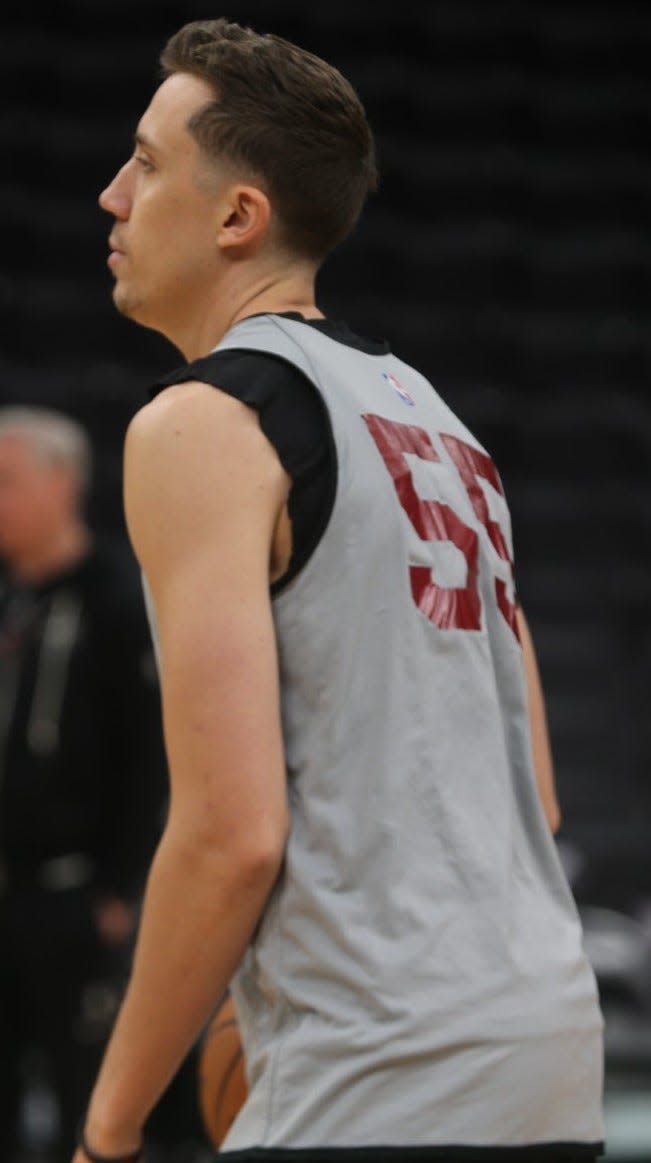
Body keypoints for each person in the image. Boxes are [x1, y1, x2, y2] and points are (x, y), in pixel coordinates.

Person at [77, 17, 604, 1163]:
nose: (113, 195)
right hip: (547, 1056)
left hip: (382, 1068)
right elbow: (539, 797)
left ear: (237, 217)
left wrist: (108, 1127)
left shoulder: (202, 422)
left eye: (148, 161)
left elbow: (232, 833)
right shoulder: (438, 419)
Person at [0, 406, 169, 1163]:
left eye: (6, 480)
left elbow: (154, 757)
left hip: (75, 897)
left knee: (86, 1103)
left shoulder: (117, 599)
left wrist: (121, 892)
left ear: (63, 483)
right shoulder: (10, 597)